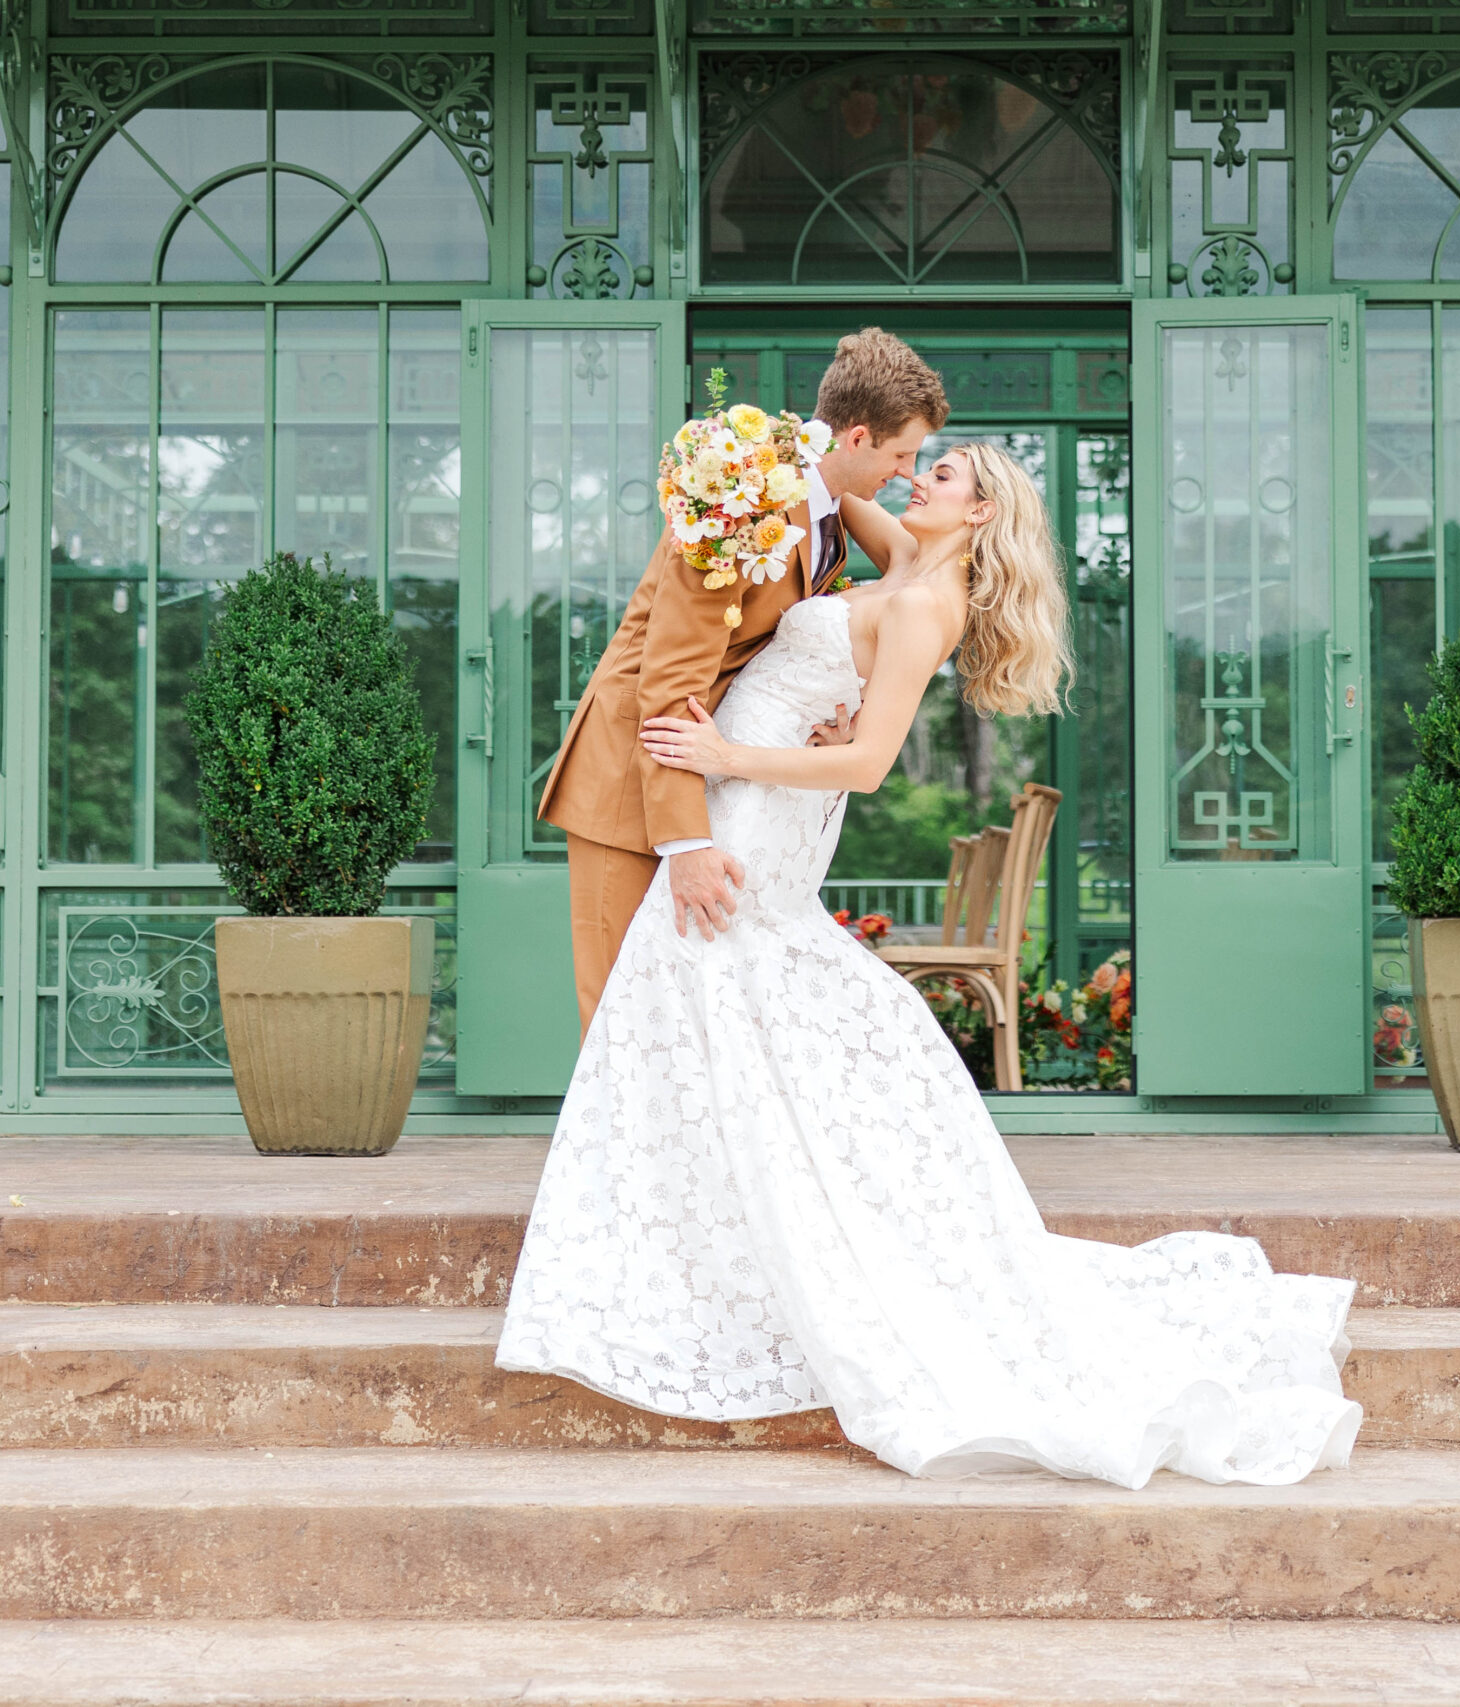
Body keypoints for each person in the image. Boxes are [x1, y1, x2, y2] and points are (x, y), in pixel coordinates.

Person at [497, 433, 1363, 1489]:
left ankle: (743, 1230)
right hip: (743, 791)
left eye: (942, 473)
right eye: (921, 462)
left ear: (983, 511)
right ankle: (698, 1231)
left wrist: (725, 755)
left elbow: (866, 765)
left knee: (721, 983)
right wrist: (763, 450)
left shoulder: (923, 605)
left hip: (761, 804)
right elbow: (825, 487)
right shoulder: (903, 551)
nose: (921, 477)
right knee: (695, 1010)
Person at [535, 327, 947, 1032]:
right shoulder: (739, 499)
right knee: (617, 1019)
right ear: (855, 437)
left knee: (681, 1015)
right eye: (903, 453)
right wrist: (686, 844)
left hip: (707, 776)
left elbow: (905, 569)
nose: (910, 473)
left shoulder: (822, 509)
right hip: (631, 778)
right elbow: (667, 679)